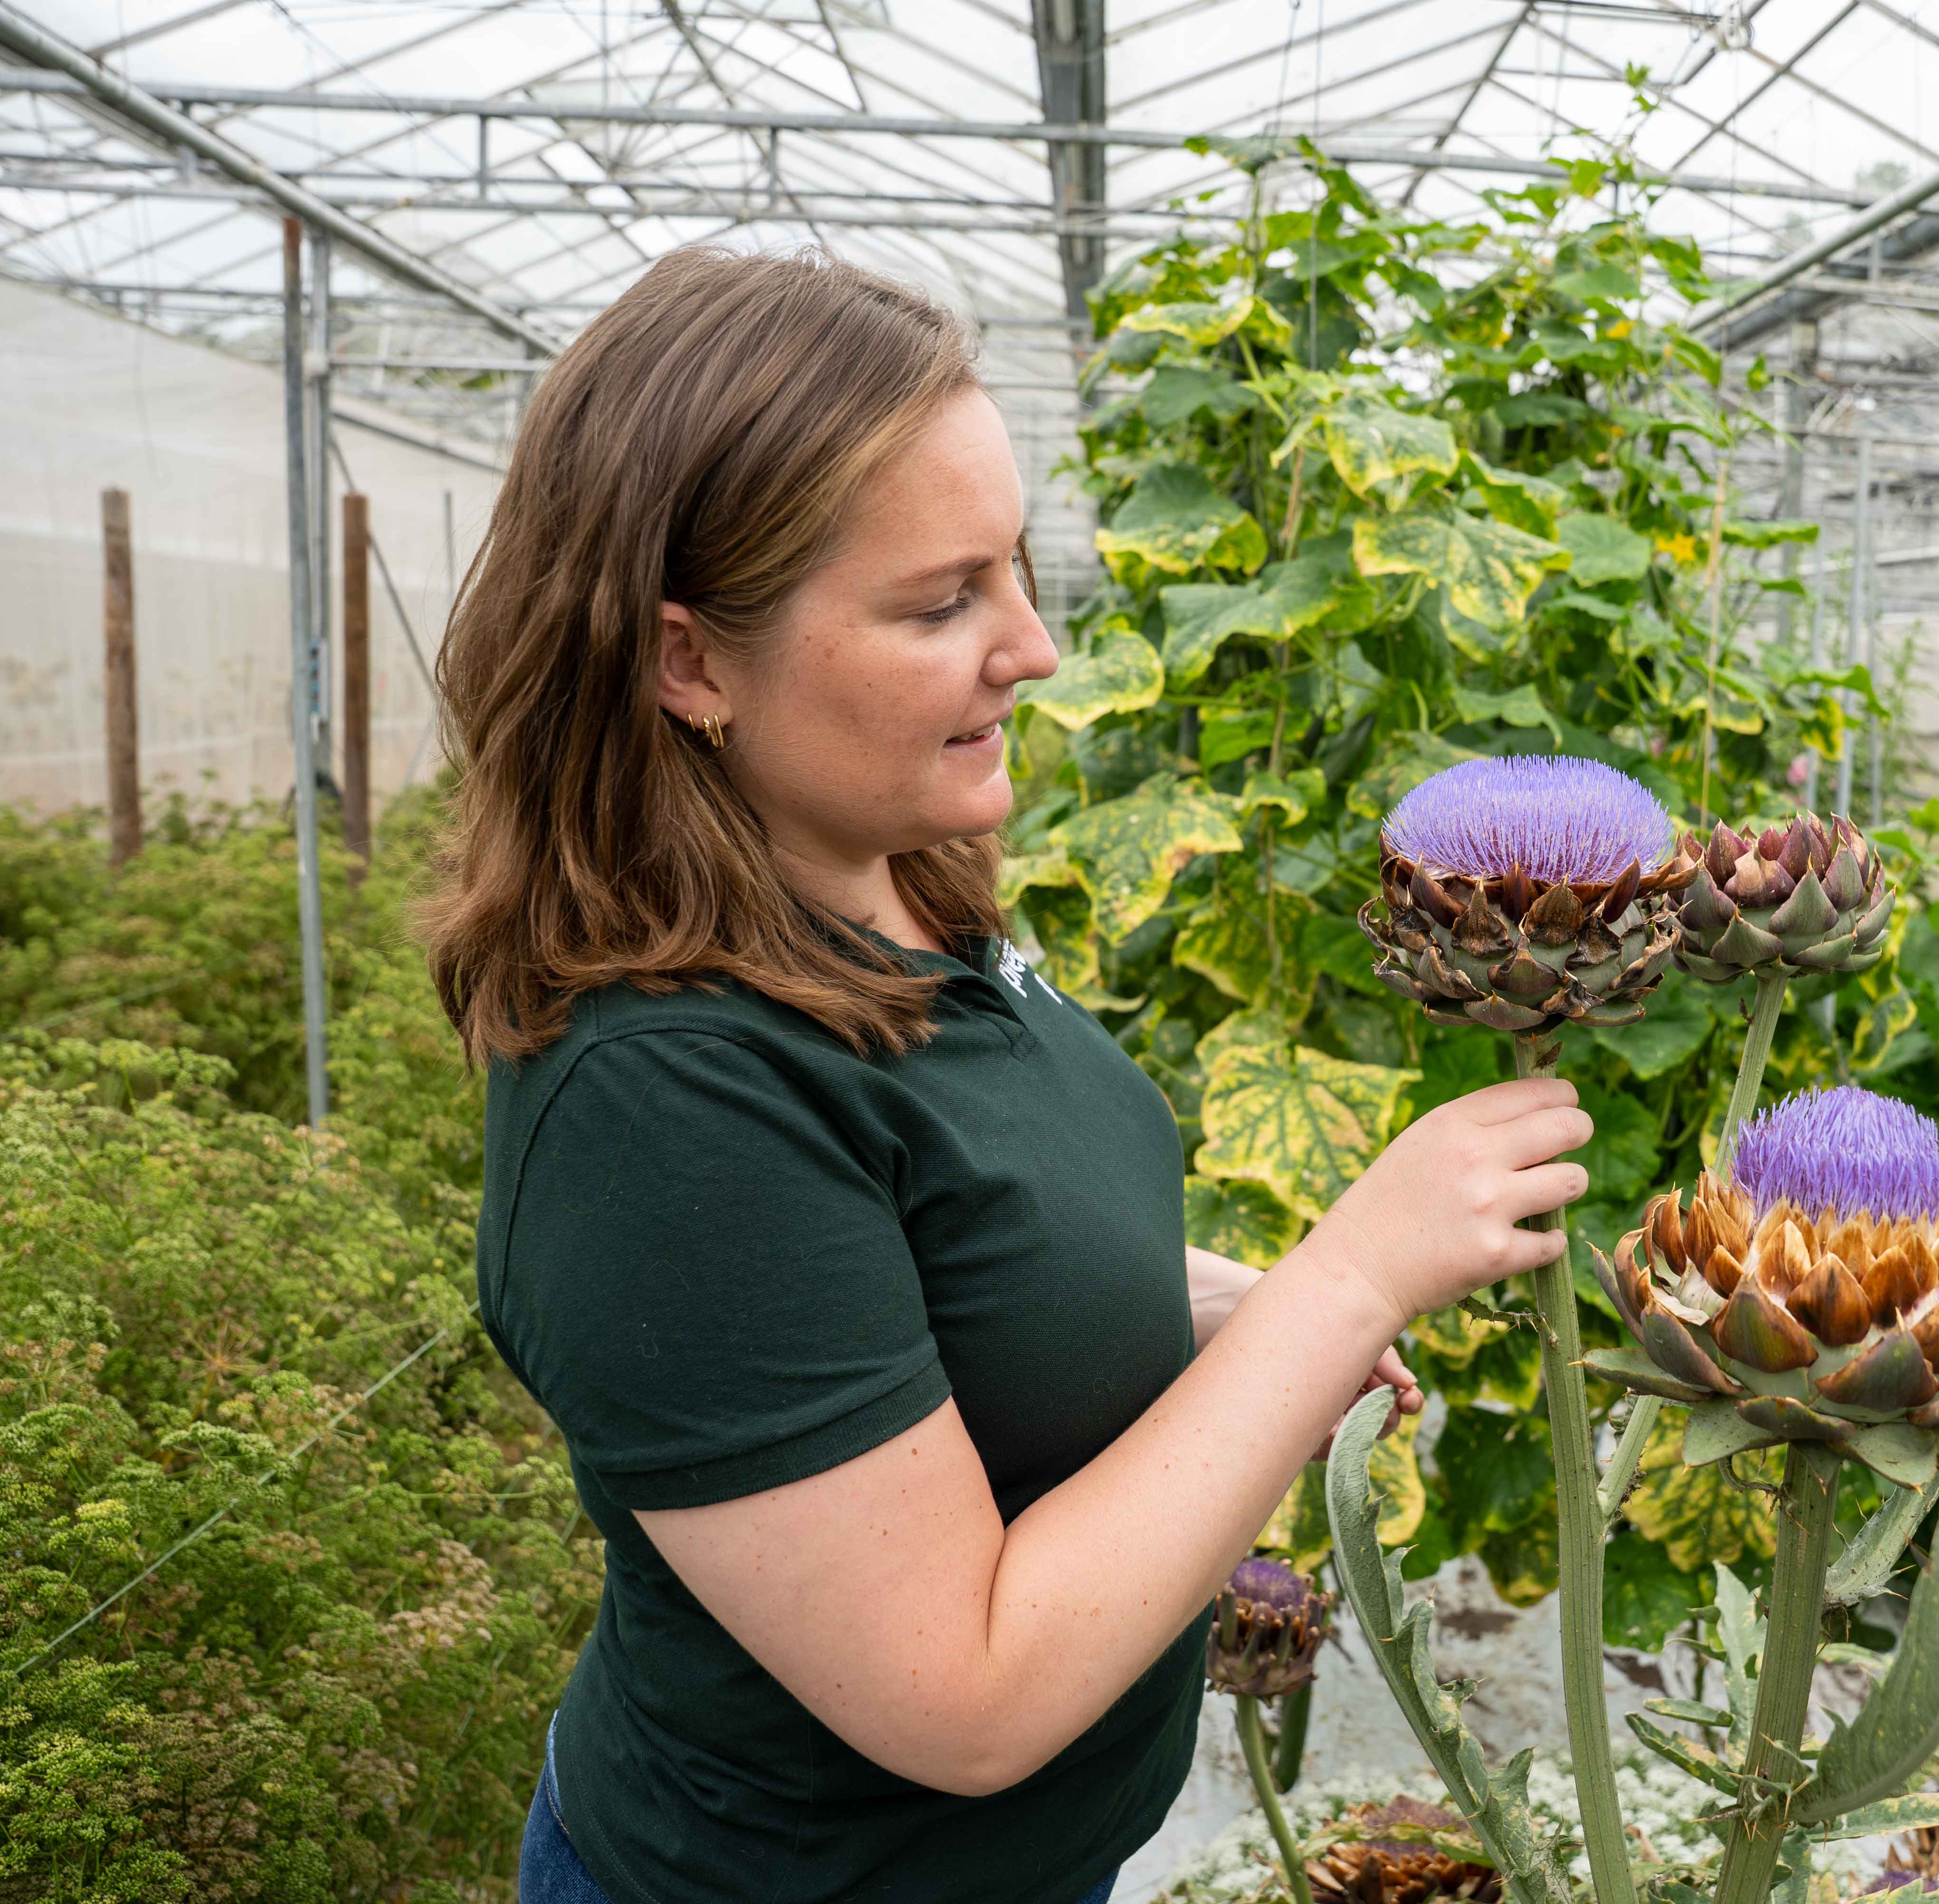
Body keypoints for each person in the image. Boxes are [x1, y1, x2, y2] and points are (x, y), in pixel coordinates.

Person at [419, 246, 1591, 1904]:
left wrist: (1223, 1311)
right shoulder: (660, 1105)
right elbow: (961, 1696)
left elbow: (950, 1247)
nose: (1033, 648)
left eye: (1017, 569)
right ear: (688, 663)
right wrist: (1351, 1279)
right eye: (939, 604)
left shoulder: (889, 880)